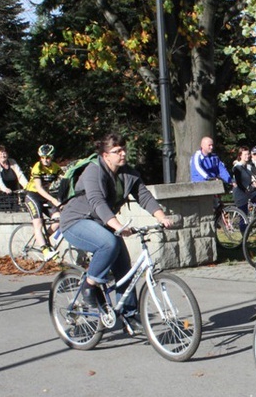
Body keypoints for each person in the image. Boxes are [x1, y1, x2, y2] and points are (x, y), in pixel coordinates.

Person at [60, 133, 173, 334]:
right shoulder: (93, 171)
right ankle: (89, 285)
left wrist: (161, 217)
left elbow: (144, 196)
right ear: (105, 156)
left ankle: (129, 316)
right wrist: (117, 225)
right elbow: (97, 202)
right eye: (116, 151)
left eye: (123, 149)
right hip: (76, 221)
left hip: (103, 223)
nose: (122, 154)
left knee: (125, 269)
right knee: (109, 243)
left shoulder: (128, 174)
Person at [24, 144, 63, 260]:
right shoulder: (37, 167)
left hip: (45, 196)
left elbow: (66, 178)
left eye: (48, 158)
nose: (45, 160)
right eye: (42, 157)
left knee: (59, 218)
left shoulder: (55, 167)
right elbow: (39, 188)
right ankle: (45, 250)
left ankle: (44, 238)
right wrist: (53, 199)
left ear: (52, 157)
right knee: (38, 223)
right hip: (32, 195)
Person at [0, 145, 28, 210]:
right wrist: (4, 188)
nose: (3, 156)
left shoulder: (12, 162)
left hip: (14, 193)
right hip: (0, 195)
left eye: (4, 153)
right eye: (0, 154)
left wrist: (27, 186)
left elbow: (20, 175)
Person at [232, 146, 256, 216]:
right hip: (240, 195)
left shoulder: (247, 167)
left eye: (248, 154)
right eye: (245, 154)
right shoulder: (237, 167)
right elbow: (238, 182)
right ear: (240, 156)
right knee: (243, 217)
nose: (247, 156)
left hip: (248, 194)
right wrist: (245, 190)